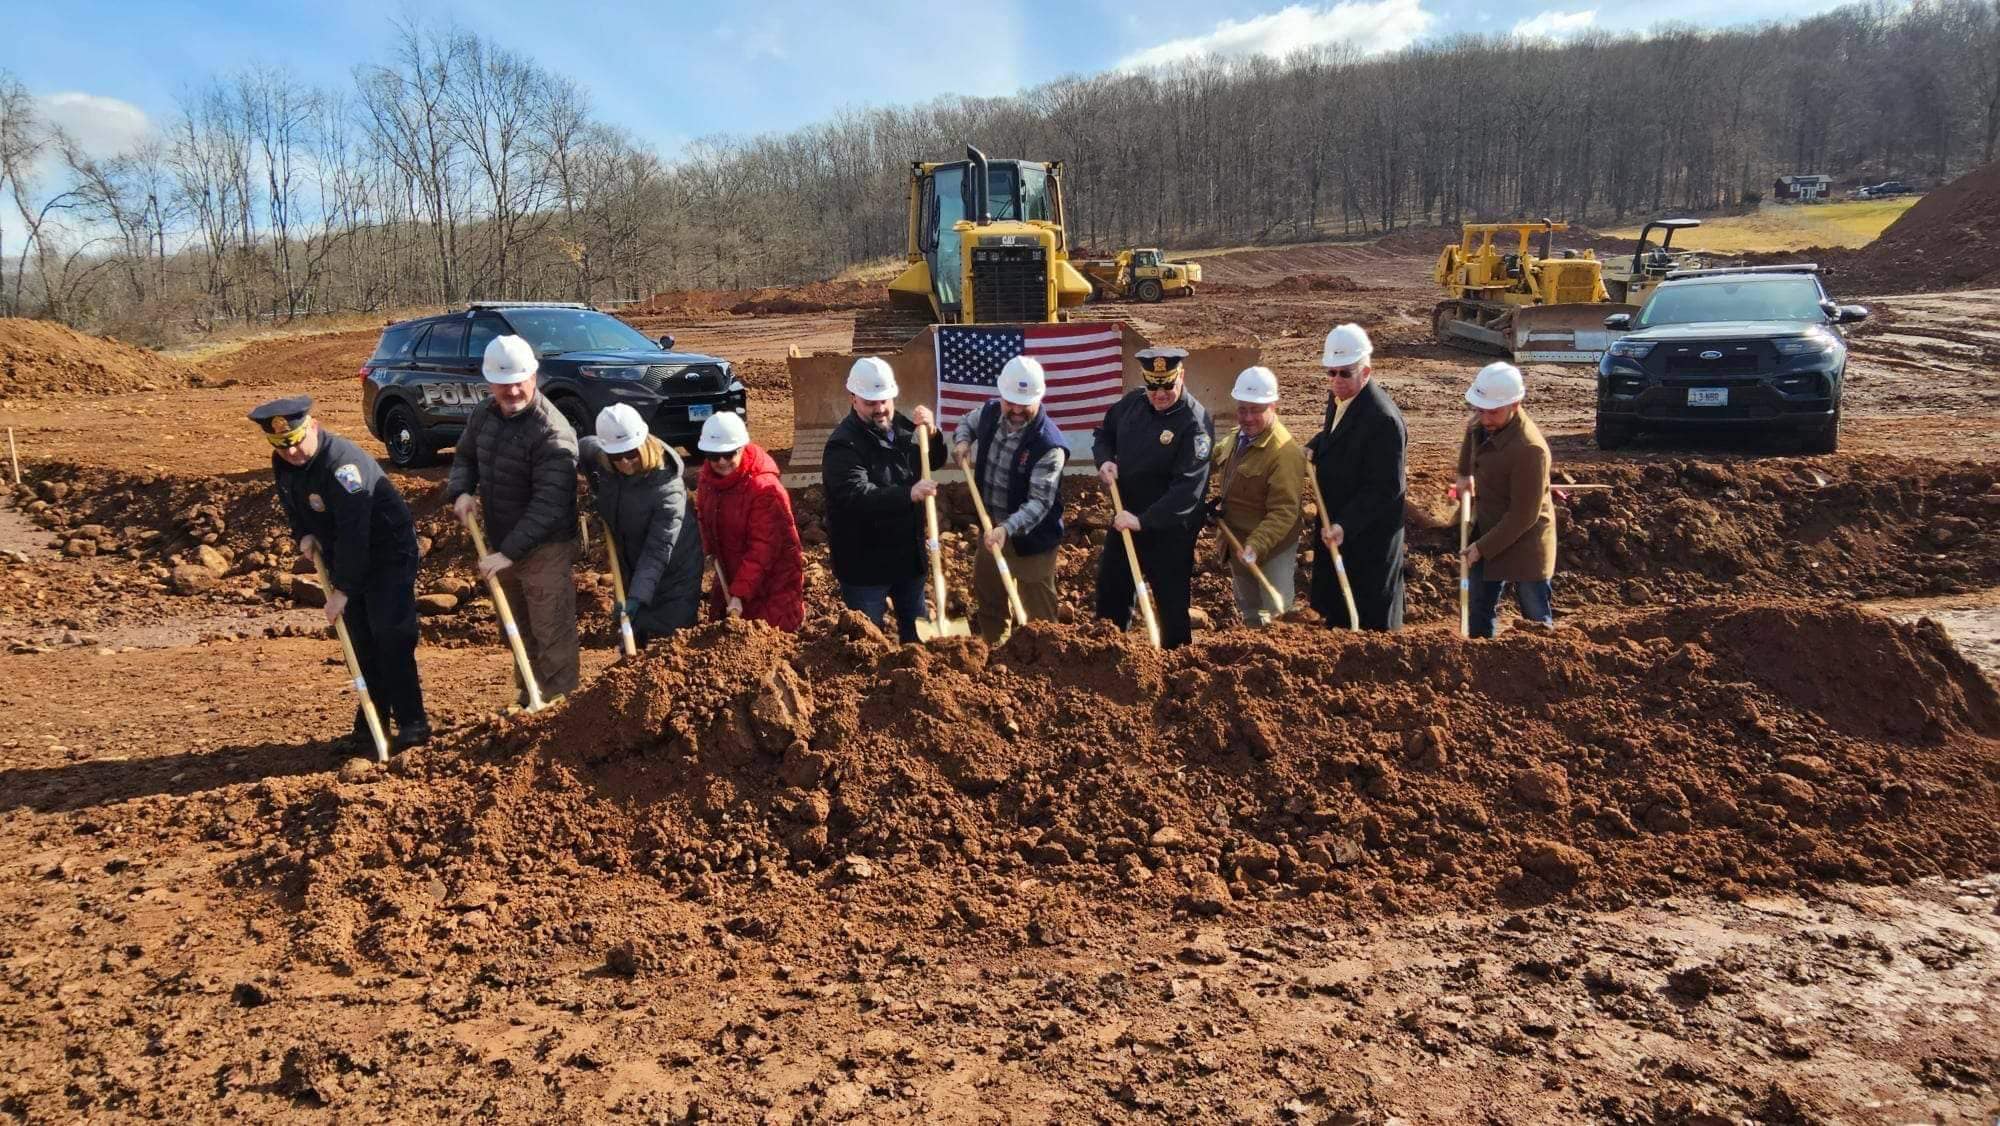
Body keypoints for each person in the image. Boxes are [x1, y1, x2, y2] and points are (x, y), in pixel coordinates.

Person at [251, 396, 430, 750]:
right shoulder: (283, 460)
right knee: (361, 642)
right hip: (345, 557)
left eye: (297, 442)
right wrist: (301, 532)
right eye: (283, 447)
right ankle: (371, 727)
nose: (292, 453)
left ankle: (413, 723)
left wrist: (342, 592)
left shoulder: (342, 465)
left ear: (312, 427)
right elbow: (292, 503)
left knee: (390, 635)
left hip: (387, 554)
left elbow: (355, 532)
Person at [444, 334, 581, 702]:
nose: (513, 390)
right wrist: (461, 490)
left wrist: (509, 552)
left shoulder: (552, 432)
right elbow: (465, 457)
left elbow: (549, 505)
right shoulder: (484, 414)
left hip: (544, 546)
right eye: (504, 384)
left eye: (520, 381)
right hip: (503, 540)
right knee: (517, 628)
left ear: (534, 377)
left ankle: (558, 709)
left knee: (551, 630)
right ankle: (529, 697)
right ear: (490, 382)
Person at [1093, 346, 1213, 648]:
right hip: (1125, 518)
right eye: (1152, 385)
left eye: (1167, 385)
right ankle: (1108, 659)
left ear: (1181, 377)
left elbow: (1188, 490)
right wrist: (1105, 460)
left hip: (1168, 530)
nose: (1159, 393)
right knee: (1111, 597)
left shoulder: (1194, 423)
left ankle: (1176, 673)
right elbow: (1104, 434)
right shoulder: (1133, 403)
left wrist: (1143, 521)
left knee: (1171, 607)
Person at [821, 356, 945, 642]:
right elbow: (856, 496)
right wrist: (908, 493)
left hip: (906, 558)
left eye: (884, 401)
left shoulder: (900, 426)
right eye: (871, 403)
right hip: (865, 563)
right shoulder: (843, 445)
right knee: (867, 640)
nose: (880, 409)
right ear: (853, 399)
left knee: (916, 635)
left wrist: (934, 435)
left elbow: (932, 461)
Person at [951, 355, 1067, 644]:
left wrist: (1007, 529)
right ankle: (996, 652)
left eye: (1023, 404)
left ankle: (1044, 664)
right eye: (1009, 401)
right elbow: (966, 421)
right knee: (989, 596)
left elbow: (1040, 503)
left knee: (1038, 616)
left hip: (1031, 541)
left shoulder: (1049, 445)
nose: (1015, 410)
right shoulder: (991, 412)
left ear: (1039, 397)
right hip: (992, 527)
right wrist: (963, 441)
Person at [1305, 323, 1408, 631]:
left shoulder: (1383, 420)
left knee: (1368, 624)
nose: (1336, 380)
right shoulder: (1340, 398)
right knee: (1336, 614)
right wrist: (1315, 445)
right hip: (1339, 528)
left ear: (1366, 372)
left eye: (1345, 373)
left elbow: (1386, 488)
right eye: (1331, 372)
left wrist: (1345, 524)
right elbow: (1335, 434)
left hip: (1367, 542)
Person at [578, 403, 704, 648]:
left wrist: (636, 597)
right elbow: (580, 448)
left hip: (674, 572)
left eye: (631, 453)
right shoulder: (602, 459)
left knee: (671, 647)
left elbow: (657, 551)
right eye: (617, 456)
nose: (625, 462)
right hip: (631, 563)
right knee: (631, 638)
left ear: (643, 443)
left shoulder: (667, 488)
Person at [1456, 361, 1557, 638]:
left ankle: (1545, 664)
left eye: (1494, 412)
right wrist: (1463, 473)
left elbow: (1523, 515)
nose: (1485, 418)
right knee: (1477, 609)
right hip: (1489, 525)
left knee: (1535, 616)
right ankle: (1481, 662)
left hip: (1525, 539)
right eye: (1481, 409)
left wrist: (1481, 548)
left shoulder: (1529, 449)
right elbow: (1473, 428)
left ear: (1516, 403)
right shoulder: (1484, 419)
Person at [1208, 365, 1304, 627]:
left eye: (1256, 410)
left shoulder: (1284, 453)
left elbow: (1285, 511)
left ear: (1273, 407)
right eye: (1242, 409)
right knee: (1251, 612)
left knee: (1277, 613)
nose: (1247, 418)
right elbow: (1211, 461)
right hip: (1237, 539)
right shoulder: (1234, 439)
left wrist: (1257, 544)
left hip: (1271, 547)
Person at [694, 411, 805, 631]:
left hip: (771, 589)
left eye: (728, 454)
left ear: (742, 448)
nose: (722, 462)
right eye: (714, 456)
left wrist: (739, 594)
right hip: (732, 580)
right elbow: (705, 520)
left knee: (763, 650)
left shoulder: (765, 490)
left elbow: (763, 550)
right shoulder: (708, 482)